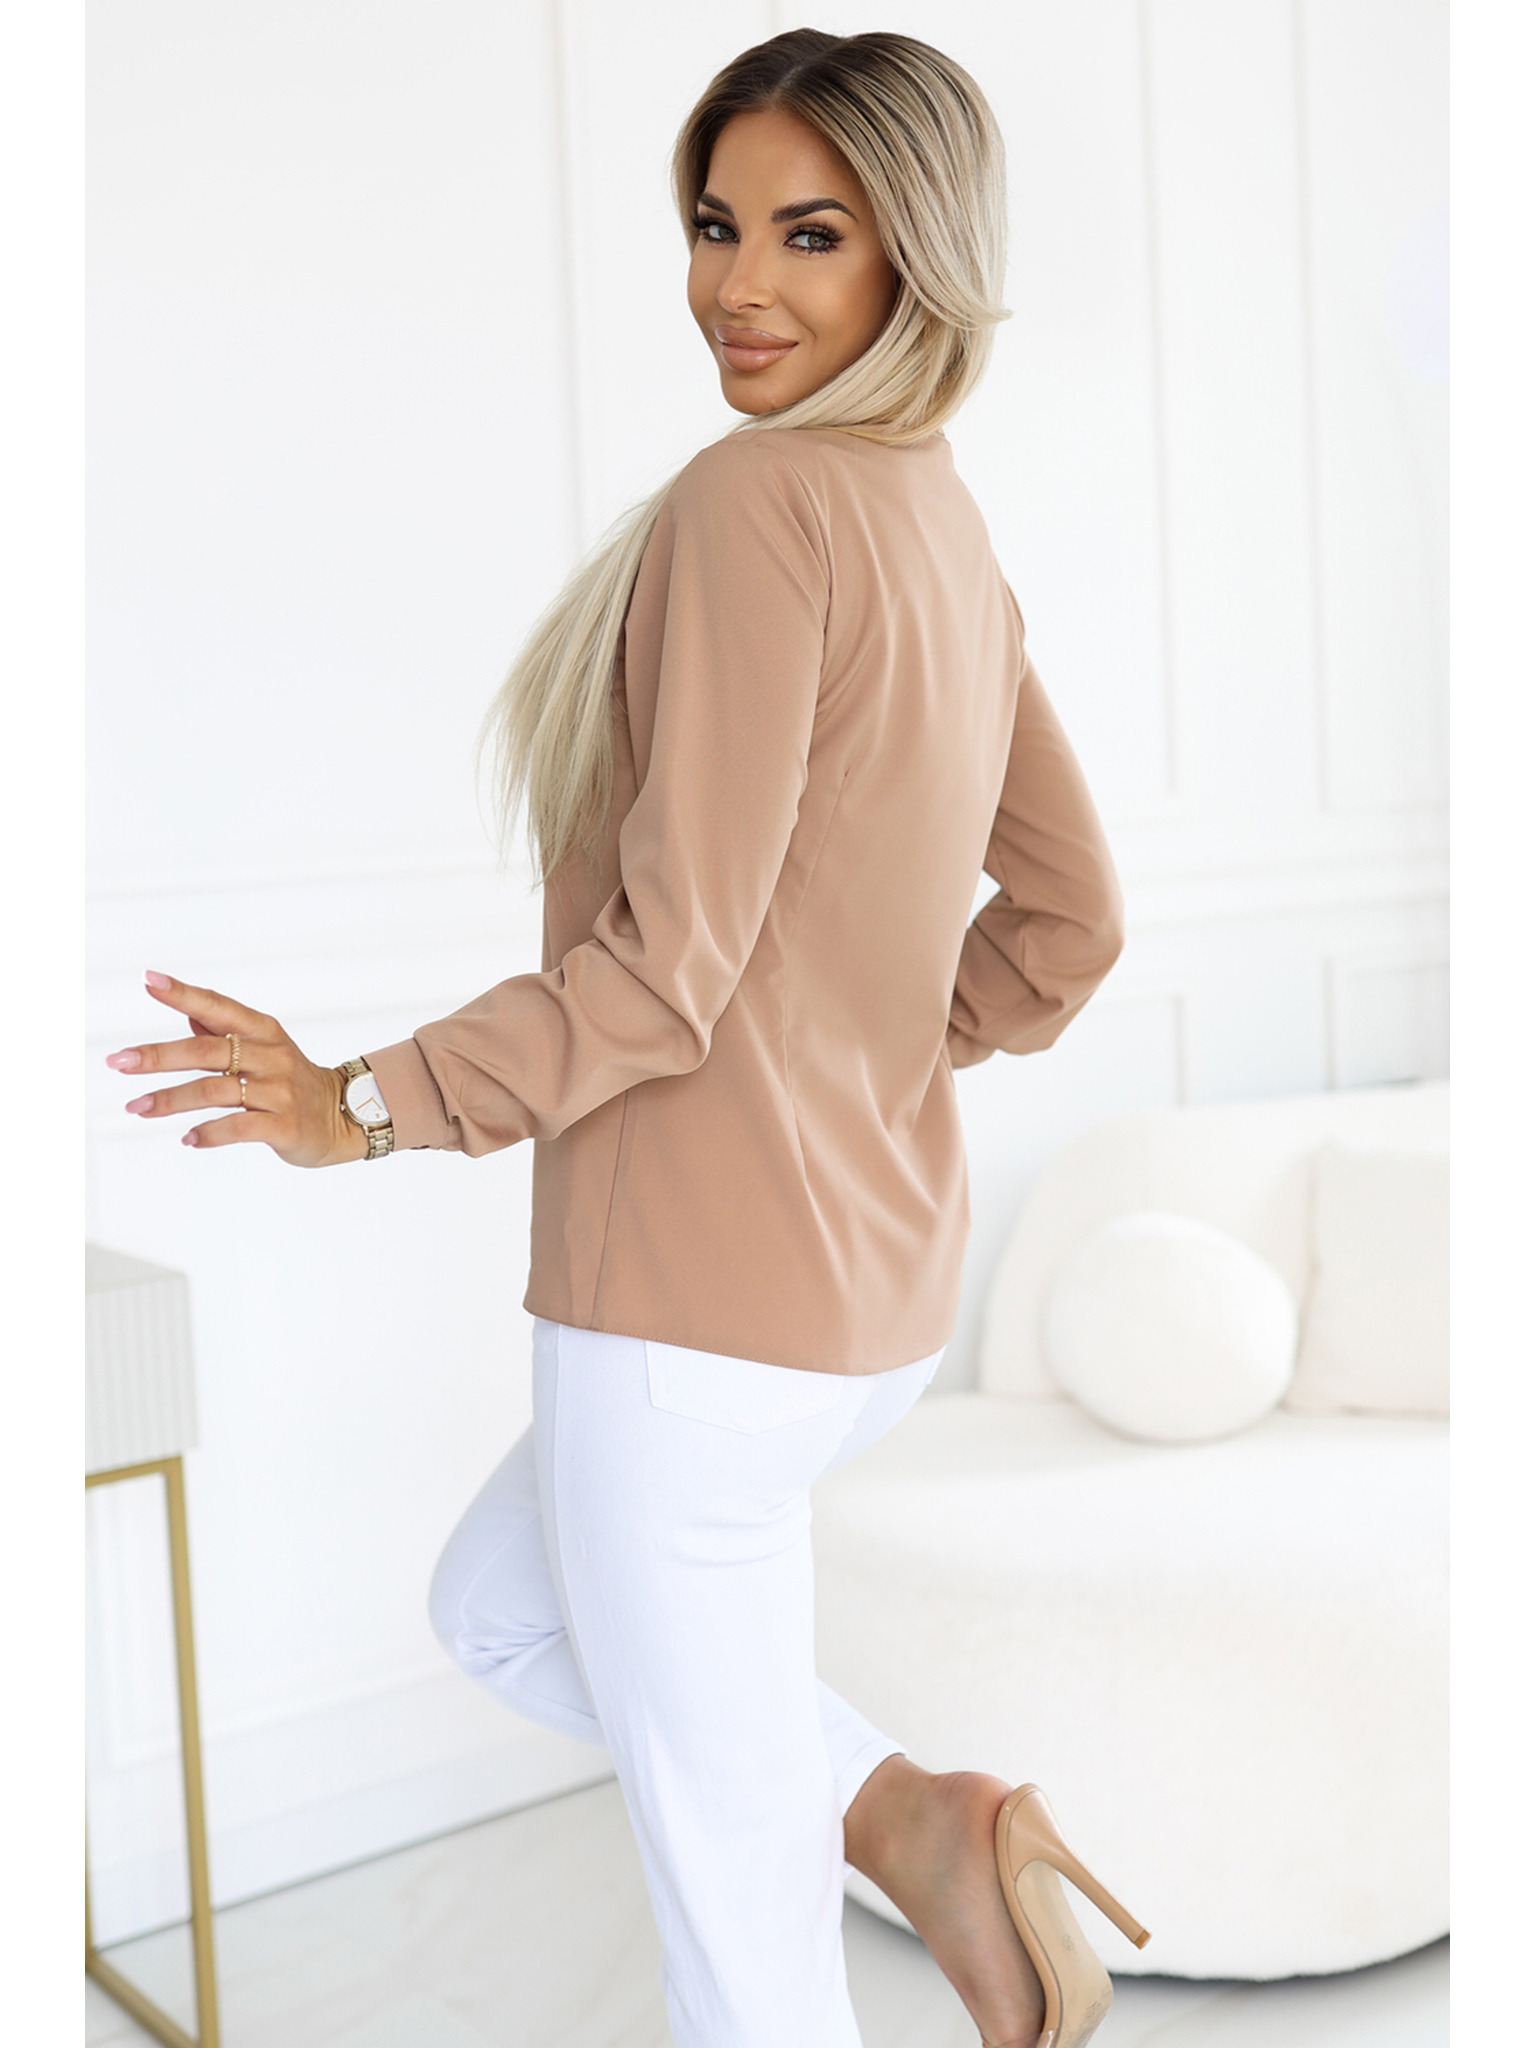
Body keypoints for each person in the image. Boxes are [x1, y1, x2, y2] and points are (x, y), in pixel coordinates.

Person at [106, 28, 1150, 2048]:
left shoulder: (760, 502)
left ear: (917, 254)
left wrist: (356, 1104)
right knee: (500, 1608)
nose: (734, 286)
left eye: (808, 235)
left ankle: (889, 1828)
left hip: (693, 1334)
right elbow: (1074, 924)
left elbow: (667, 972)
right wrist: (853, 1053)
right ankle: (918, 1821)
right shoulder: (939, 522)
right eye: (714, 224)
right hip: (860, 1321)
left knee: (743, 1950)